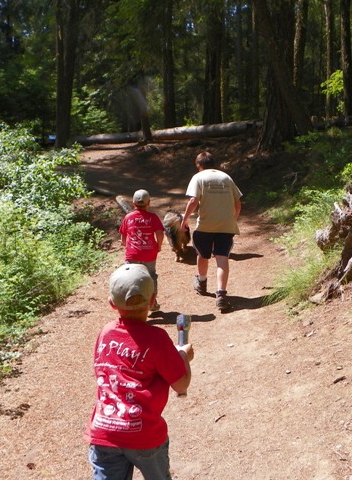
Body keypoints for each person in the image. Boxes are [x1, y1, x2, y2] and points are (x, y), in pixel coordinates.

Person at [84, 263, 194, 480]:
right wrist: (183, 357)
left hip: (104, 431)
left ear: (111, 304)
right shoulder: (157, 339)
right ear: (152, 300)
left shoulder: (105, 333)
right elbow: (181, 384)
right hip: (144, 434)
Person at [181, 151, 243, 312]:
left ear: (199, 165)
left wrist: (185, 220)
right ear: (213, 163)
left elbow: (193, 200)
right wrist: (232, 220)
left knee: (202, 254)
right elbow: (238, 203)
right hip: (226, 226)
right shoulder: (226, 178)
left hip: (205, 226)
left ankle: (202, 282)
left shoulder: (198, 177)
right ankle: (221, 295)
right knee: (222, 259)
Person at [119, 189, 164, 311]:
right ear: (149, 203)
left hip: (132, 254)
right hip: (149, 254)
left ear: (133, 204)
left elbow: (123, 237)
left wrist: (125, 245)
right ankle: (152, 303)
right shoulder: (153, 217)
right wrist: (159, 245)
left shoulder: (128, 217)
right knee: (151, 277)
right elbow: (160, 233)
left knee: (131, 278)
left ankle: (130, 305)